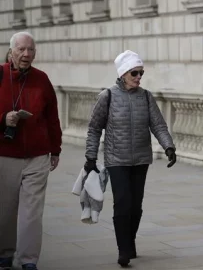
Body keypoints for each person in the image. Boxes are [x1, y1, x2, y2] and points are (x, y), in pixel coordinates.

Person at [84, 50, 177, 267]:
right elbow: (94, 128)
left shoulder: (146, 96)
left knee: (136, 206)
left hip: (141, 159)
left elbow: (158, 125)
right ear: (123, 73)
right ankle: (123, 249)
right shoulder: (107, 96)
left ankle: (130, 240)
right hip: (116, 160)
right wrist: (90, 157)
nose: (138, 77)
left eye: (141, 73)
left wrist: (169, 147)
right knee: (123, 204)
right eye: (135, 72)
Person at [0, 32, 62, 270]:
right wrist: (4, 118)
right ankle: (5, 253)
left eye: (31, 50)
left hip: (37, 155)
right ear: (11, 50)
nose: (27, 55)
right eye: (22, 49)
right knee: (5, 210)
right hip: (5, 154)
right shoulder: (0, 75)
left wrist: (55, 149)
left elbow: (52, 118)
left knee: (32, 212)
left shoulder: (41, 79)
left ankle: (28, 260)